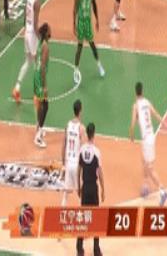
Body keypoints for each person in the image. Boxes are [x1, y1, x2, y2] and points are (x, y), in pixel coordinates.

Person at [129, 82, 167, 206]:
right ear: (142, 91)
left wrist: (131, 136)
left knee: (150, 168)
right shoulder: (147, 102)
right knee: (143, 161)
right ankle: (146, 186)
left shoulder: (135, 106)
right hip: (151, 135)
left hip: (147, 140)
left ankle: (162, 191)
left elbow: (133, 123)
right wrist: (164, 122)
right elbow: (155, 114)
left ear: (135, 92)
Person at [77, 123, 105, 256]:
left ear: (87, 134)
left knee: (83, 218)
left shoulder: (82, 150)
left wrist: (78, 186)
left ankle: (79, 248)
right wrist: (103, 189)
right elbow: (100, 173)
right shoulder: (97, 152)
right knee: (96, 218)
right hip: (93, 188)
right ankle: (96, 249)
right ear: (94, 134)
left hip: (85, 186)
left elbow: (79, 170)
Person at [12, 0, 42, 103]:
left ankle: (17, 88)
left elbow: (25, 17)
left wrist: (26, 30)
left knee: (27, 61)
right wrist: (40, 38)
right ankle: (36, 94)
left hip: (26, 32)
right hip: (32, 35)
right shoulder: (37, 2)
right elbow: (35, 24)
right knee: (37, 64)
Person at [73, 0, 105, 83]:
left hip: (88, 21)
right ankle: (76, 70)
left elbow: (94, 5)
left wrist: (97, 19)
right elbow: (75, 7)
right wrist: (74, 24)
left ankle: (99, 65)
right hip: (81, 22)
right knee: (80, 47)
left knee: (92, 45)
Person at [61, 99, 86, 206]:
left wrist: (63, 164)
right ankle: (82, 213)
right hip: (76, 165)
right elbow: (84, 149)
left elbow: (63, 145)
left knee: (65, 194)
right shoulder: (81, 128)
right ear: (80, 111)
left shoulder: (68, 125)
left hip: (68, 163)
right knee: (80, 193)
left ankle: (61, 212)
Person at [33, 23, 51, 148]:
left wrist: (37, 68)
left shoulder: (40, 43)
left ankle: (38, 128)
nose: (51, 31)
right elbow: (43, 67)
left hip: (36, 74)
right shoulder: (45, 47)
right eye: (49, 30)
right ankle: (38, 136)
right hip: (40, 77)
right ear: (46, 33)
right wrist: (44, 86)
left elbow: (35, 57)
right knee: (45, 105)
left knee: (41, 104)